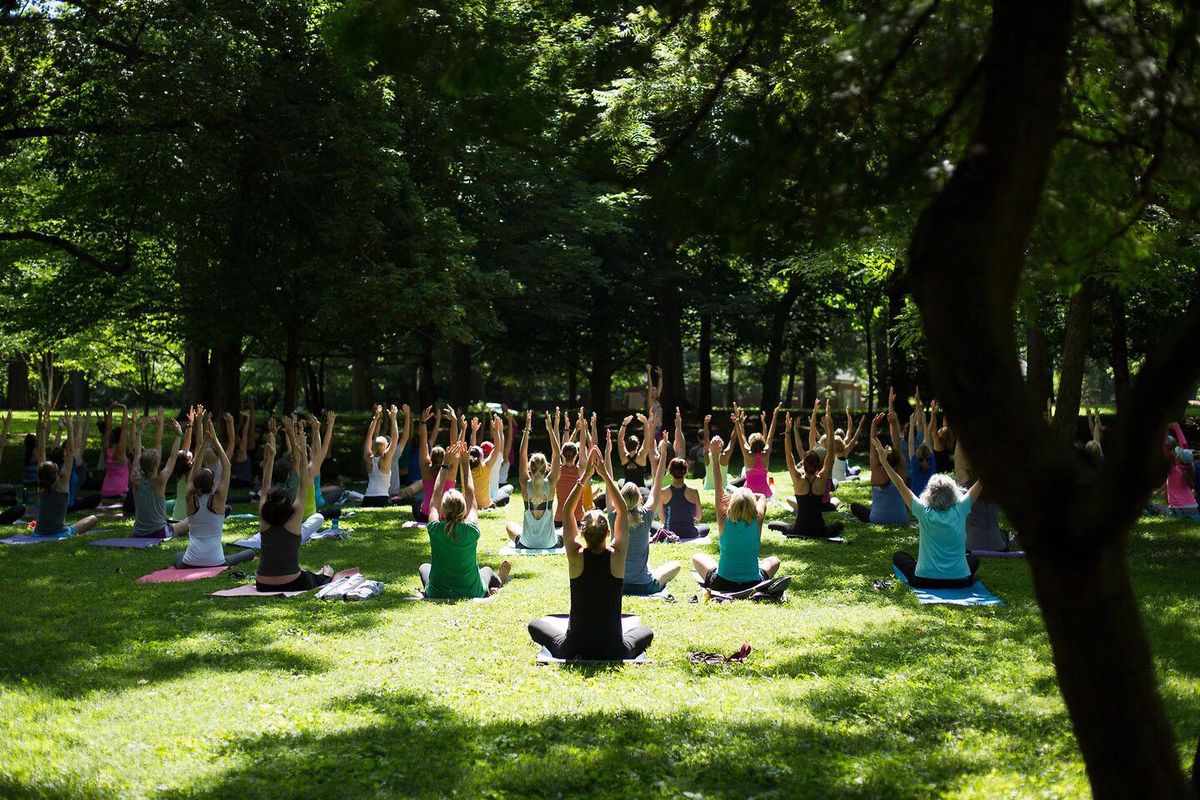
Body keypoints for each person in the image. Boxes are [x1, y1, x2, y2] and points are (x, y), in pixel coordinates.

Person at [527, 445, 654, 661]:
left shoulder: (576, 555)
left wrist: (584, 476)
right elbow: (622, 510)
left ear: (582, 534)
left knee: (534, 625)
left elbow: (567, 510)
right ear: (608, 533)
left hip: (574, 647)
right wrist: (604, 473)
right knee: (646, 631)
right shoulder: (617, 556)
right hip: (614, 648)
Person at [871, 436, 984, 588]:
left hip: (925, 580)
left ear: (930, 493)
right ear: (953, 493)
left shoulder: (923, 510)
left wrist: (884, 462)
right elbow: (982, 481)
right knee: (973, 560)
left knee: (899, 556)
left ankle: (927, 567)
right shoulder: (961, 508)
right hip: (960, 580)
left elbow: (900, 485)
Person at [419, 441, 511, 598]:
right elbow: (470, 493)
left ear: (443, 510)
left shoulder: (435, 528)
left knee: (424, 567)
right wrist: (465, 464)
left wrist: (445, 465)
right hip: (472, 591)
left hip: (438, 592)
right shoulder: (471, 530)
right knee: (487, 570)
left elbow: (435, 496)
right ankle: (499, 581)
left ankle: (496, 581)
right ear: (463, 509)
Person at [255, 418, 335, 592]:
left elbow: (264, 484)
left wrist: (270, 456)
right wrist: (302, 456)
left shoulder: (263, 515)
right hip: (292, 582)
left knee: (305, 573)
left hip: (262, 584)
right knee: (318, 576)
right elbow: (302, 485)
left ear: (269, 502)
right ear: (287, 505)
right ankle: (325, 575)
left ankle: (320, 575)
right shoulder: (295, 516)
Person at [692, 437, 781, 592]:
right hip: (753, 583)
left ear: (733, 503)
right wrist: (749, 496)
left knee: (697, 558)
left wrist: (715, 455)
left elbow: (719, 485)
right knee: (774, 561)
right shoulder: (758, 518)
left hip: (722, 582)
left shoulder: (724, 518)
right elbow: (763, 497)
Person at [176, 415, 255, 568]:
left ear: (194, 482)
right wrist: (215, 441)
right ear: (213, 483)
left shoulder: (190, 498)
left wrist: (203, 445)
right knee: (250, 553)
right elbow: (227, 466)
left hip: (190, 561)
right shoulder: (219, 500)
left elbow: (195, 469)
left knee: (179, 555)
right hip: (216, 561)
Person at [617, 437, 681, 594]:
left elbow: (609, 483)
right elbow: (657, 485)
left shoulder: (615, 517)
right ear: (640, 498)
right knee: (676, 566)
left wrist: (606, 457)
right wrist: (664, 454)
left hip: (619, 585)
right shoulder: (645, 515)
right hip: (645, 586)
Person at [770, 404, 844, 538]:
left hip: (799, 529)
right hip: (819, 530)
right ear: (819, 465)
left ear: (804, 463)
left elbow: (789, 455)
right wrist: (830, 428)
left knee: (773, 524)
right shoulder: (822, 478)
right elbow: (831, 453)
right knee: (838, 525)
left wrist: (788, 432)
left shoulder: (798, 478)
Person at [34, 411, 99, 537]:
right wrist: (70, 428)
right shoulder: (62, 484)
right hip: (61, 533)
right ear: (55, 472)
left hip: (38, 533)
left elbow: (41, 453)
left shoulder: (40, 486)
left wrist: (42, 430)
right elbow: (69, 452)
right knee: (93, 519)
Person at [506, 411, 563, 549]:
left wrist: (526, 429)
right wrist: (550, 430)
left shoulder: (525, 483)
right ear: (546, 468)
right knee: (566, 528)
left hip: (526, 543)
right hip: (550, 543)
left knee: (509, 525)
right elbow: (557, 454)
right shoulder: (551, 483)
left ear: (529, 468)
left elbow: (522, 454)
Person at [130, 413, 190, 539]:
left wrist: (139, 433)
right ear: (156, 465)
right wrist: (179, 434)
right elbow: (173, 458)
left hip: (138, 533)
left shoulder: (135, 479)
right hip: (158, 533)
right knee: (191, 520)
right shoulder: (160, 480)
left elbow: (137, 455)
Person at [849, 412, 910, 525]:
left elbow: (873, 448)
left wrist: (873, 425)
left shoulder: (877, 470)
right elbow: (898, 446)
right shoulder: (902, 470)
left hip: (877, 519)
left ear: (884, 456)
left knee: (854, 506)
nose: (888, 446)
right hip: (902, 519)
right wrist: (893, 423)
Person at [414, 406, 458, 523]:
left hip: (426, 516)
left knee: (416, 502)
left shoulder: (426, 468)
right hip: (447, 517)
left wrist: (423, 422)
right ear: (445, 457)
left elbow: (423, 444)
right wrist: (454, 421)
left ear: (431, 458)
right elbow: (454, 443)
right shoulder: (451, 469)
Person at [652, 451, 709, 541]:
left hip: (669, 532)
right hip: (690, 533)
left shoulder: (663, 492)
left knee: (652, 525)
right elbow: (698, 517)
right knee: (705, 527)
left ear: (670, 472)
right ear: (685, 473)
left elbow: (662, 518)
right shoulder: (694, 492)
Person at [362, 405, 409, 507]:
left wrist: (375, 419)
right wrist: (393, 418)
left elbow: (369, 437)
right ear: (385, 448)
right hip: (381, 499)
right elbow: (395, 437)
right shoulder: (386, 459)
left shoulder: (368, 458)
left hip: (367, 499)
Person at [735, 403, 782, 499]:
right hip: (765, 494)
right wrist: (775, 415)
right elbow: (770, 435)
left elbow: (741, 437)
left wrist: (737, 422)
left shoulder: (747, 454)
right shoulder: (766, 453)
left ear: (750, 444)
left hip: (749, 495)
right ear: (763, 443)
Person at [468, 414, 511, 510]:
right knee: (507, 490)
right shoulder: (491, 463)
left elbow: (472, 447)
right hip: (492, 499)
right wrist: (498, 430)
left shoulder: (470, 466)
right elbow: (499, 446)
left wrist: (474, 431)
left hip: (474, 501)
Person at [99, 403, 131, 503]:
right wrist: (124, 409)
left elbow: (108, 428)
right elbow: (124, 428)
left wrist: (110, 410)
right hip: (119, 493)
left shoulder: (106, 448)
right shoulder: (120, 450)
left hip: (105, 492)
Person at [1165, 422, 1198, 518]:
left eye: (1177, 454)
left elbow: (1164, 448)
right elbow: (1185, 446)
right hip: (1192, 506)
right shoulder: (1190, 467)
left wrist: (1164, 431)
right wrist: (1177, 428)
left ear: (1178, 459)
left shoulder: (1173, 470)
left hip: (1178, 509)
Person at [907, 401, 936, 499]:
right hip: (930, 498)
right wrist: (924, 424)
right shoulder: (931, 461)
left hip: (917, 499)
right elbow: (928, 442)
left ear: (917, 454)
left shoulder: (915, 463)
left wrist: (912, 424)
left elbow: (910, 443)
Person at [616, 412, 653, 488]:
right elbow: (647, 439)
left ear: (626, 445)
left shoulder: (624, 457)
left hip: (626, 487)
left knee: (620, 481)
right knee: (651, 481)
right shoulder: (641, 456)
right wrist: (645, 423)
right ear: (638, 445)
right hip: (640, 487)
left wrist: (624, 424)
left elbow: (620, 439)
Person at [230, 401, 256, 489]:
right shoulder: (238, 453)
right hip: (241, 481)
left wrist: (248, 418)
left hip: (243, 482)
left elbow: (245, 432)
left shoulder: (242, 451)